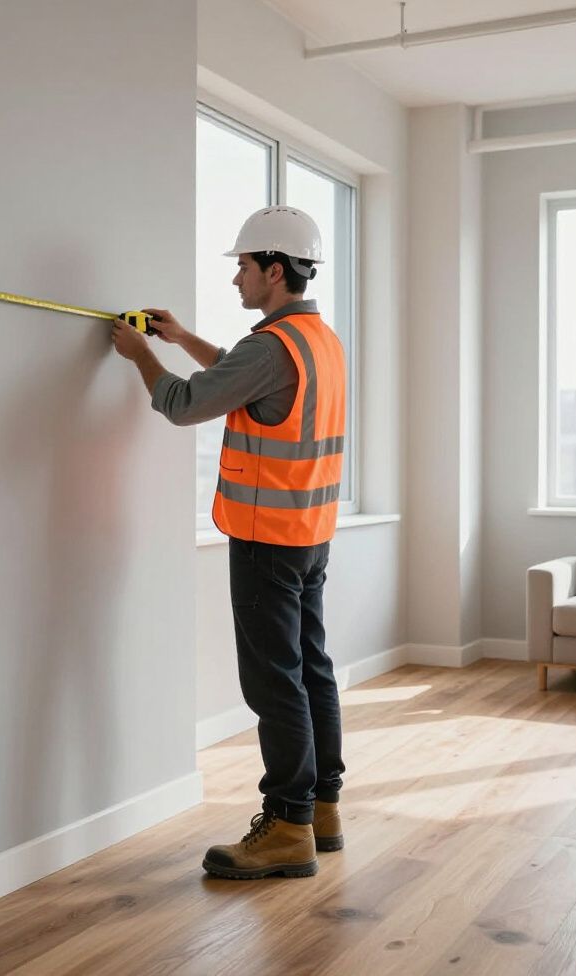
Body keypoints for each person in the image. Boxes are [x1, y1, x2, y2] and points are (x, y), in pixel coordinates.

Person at [111, 205, 346, 880]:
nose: (237, 278)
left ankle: (286, 827)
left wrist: (141, 357)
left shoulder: (272, 347)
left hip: (268, 538)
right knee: (311, 669)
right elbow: (242, 381)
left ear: (274, 270)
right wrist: (183, 338)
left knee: (275, 682)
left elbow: (187, 404)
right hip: (309, 532)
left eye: (243, 266)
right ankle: (321, 808)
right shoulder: (315, 340)